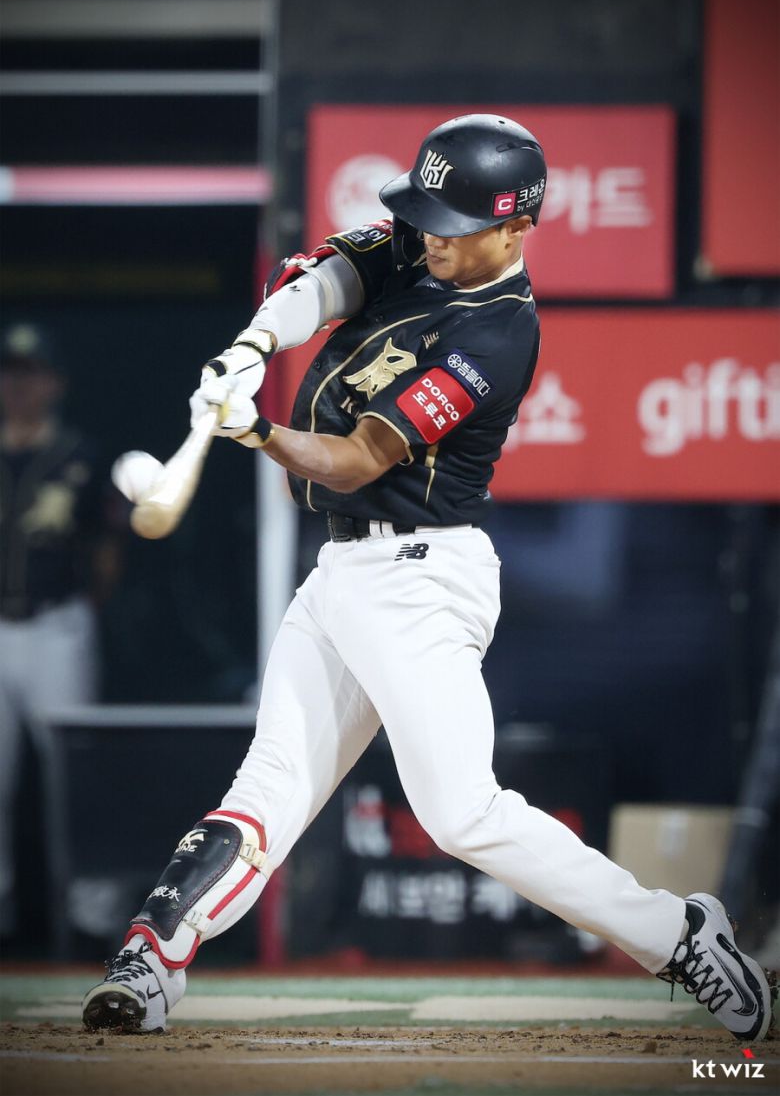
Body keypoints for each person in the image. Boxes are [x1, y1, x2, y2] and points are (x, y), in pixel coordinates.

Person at [81, 115, 776, 1040]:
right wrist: (254, 345)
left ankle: (680, 935)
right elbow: (328, 279)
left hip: (420, 576)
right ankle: (152, 954)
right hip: (343, 569)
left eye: (456, 224)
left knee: (462, 814)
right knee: (268, 785)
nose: (432, 237)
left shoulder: (500, 334)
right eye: (428, 217)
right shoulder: (422, 240)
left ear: (515, 227)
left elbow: (359, 459)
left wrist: (255, 429)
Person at [0, 322, 121, 939]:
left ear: (54, 383)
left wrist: (85, 610)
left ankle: (91, 917)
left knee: (75, 774)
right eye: (10, 374)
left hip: (55, 626)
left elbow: (107, 549)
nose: (19, 386)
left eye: (31, 374)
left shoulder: (81, 455)